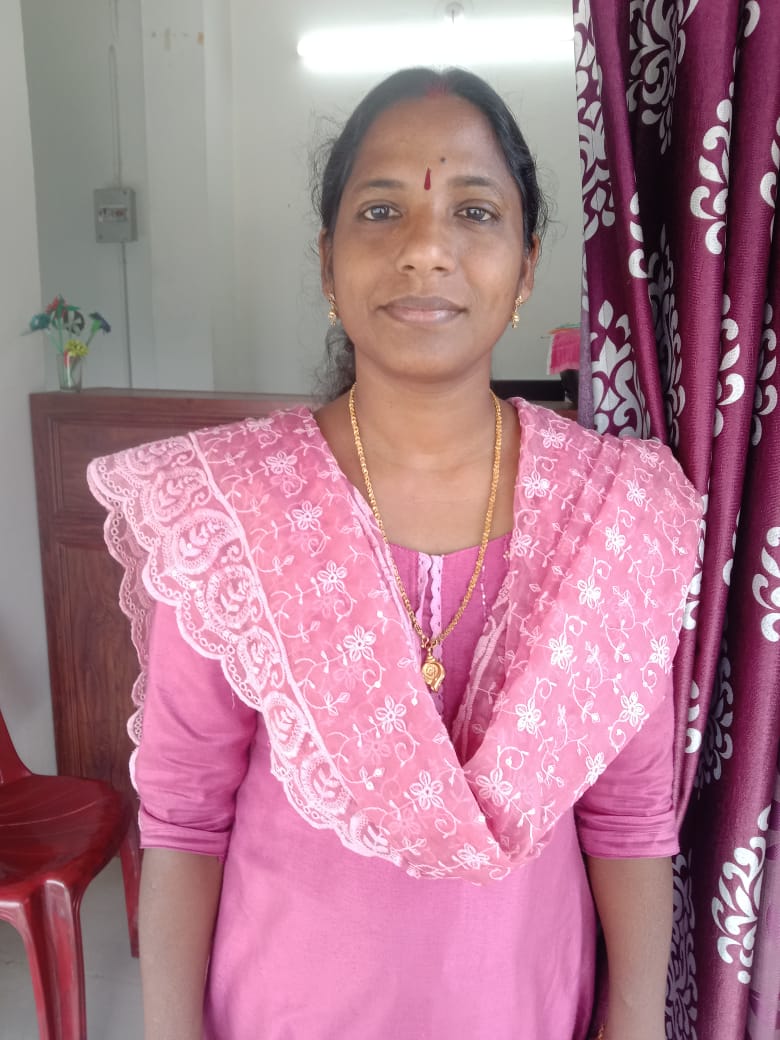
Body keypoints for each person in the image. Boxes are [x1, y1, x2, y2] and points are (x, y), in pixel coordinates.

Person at [88, 67, 702, 1040]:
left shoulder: (611, 514)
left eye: (474, 210)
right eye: (381, 210)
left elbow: (629, 817)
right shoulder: (231, 512)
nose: (425, 246)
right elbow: (185, 817)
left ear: (527, 265)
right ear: (327, 264)